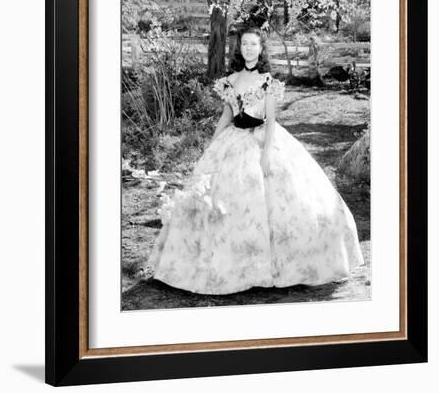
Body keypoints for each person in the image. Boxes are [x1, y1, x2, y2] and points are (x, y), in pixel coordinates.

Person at [147, 24, 364, 295]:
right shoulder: (231, 80)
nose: (248, 48)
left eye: (254, 44)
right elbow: (226, 115)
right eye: (245, 44)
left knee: (284, 200)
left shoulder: (268, 82)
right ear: (239, 48)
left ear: (261, 49)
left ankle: (287, 265)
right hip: (233, 140)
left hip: (262, 140)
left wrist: (265, 156)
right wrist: (211, 146)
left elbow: (271, 122)